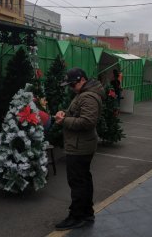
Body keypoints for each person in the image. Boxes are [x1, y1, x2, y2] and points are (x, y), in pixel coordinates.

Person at [54, 67, 105, 230]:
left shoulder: (88, 96)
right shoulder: (83, 94)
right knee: (83, 180)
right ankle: (86, 213)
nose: (70, 88)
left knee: (77, 182)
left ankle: (76, 216)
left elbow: (87, 122)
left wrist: (64, 121)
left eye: (72, 85)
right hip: (80, 144)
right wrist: (64, 113)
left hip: (79, 146)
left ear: (81, 80)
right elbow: (77, 114)